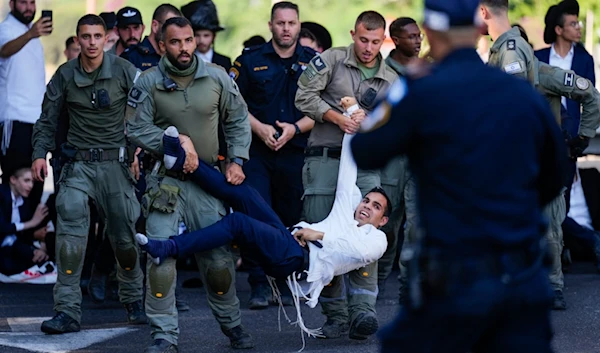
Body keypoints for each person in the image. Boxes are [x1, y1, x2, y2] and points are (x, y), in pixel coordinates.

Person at [350, 0, 566, 351]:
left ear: (431, 32)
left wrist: (403, 89)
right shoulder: (520, 93)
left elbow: (366, 148)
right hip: (522, 275)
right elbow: (554, 176)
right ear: (476, 29)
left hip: (454, 279)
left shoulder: (421, 90)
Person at [136, 126, 388, 319]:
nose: (366, 206)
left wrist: (319, 236)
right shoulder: (347, 211)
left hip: (296, 260)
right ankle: (183, 162)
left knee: (238, 222)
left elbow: (359, 251)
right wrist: (351, 126)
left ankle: (167, 248)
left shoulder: (376, 239)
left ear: (383, 220)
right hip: (288, 240)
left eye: (375, 207)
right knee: (245, 194)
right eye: (366, 201)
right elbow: (347, 171)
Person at [125, 17, 253, 352]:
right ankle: (164, 335)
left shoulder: (217, 77)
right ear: (162, 44)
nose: (183, 48)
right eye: (175, 42)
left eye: (188, 40)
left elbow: (238, 118)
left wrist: (237, 159)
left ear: (195, 40)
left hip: (207, 180)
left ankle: (233, 326)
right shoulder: (149, 81)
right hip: (164, 182)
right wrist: (176, 138)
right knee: (160, 260)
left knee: (219, 263)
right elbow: (134, 128)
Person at [480, 0, 600, 310]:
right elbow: (590, 94)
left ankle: (549, 287)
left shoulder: (515, 59)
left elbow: (588, 95)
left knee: (545, 226)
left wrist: (581, 138)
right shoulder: (533, 65)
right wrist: (581, 138)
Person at [32, 14, 145, 334]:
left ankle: (133, 298)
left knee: (124, 238)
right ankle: (66, 310)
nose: (92, 42)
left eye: (97, 36)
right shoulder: (65, 75)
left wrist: (136, 150)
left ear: (106, 38)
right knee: (69, 235)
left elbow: (147, 112)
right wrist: (39, 154)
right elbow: (46, 121)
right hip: (78, 165)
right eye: (85, 36)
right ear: (78, 39)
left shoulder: (125, 71)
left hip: (115, 165)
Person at [294, 10, 397, 340]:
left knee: (363, 232)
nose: (368, 48)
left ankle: (362, 312)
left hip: (365, 162)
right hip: (326, 158)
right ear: (353, 34)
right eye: (363, 40)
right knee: (322, 232)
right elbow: (303, 96)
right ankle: (335, 314)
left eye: (375, 42)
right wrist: (339, 118)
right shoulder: (332, 60)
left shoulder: (390, 78)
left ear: (384, 40)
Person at [229, 1, 316, 310]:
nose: (286, 28)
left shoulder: (314, 62)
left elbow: (323, 107)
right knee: (258, 214)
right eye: (280, 23)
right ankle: (259, 283)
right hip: (258, 152)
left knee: (293, 216)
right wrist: (260, 129)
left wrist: (294, 128)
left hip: (296, 151)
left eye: (291, 23)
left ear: (298, 24)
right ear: (270, 25)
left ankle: (288, 278)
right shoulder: (250, 61)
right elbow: (234, 104)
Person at [376, 17, 421, 300]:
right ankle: (375, 282)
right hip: (391, 158)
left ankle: (409, 283)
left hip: (419, 157)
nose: (417, 41)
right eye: (411, 37)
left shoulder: (426, 70)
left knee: (417, 225)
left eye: (419, 36)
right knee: (387, 223)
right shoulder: (381, 70)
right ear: (395, 38)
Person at [0, 0, 51, 210]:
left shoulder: (30, 32)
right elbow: (4, 50)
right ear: (11, 4)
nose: (29, 7)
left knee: (36, 181)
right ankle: (9, 238)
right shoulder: (6, 29)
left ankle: (28, 239)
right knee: (16, 182)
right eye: (23, 2)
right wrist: (30, 35)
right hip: (15, 119)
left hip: (36, 121)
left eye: (32, 2)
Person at [535, 0, 596, 144]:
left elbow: (590, 98)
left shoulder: (585, 60)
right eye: (573, 24)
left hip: (572, 134)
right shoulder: (538, 58)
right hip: (542, 129)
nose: (578, 28)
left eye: (578, 23)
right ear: (559, 30)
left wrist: (583, 135)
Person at [0, 167, 50, 276]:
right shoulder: (2, 195)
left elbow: (25, 233)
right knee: (9, 266)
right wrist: (32, 223)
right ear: (13, 180)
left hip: (13, 245)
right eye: (26, 181)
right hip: (4, 246)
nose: (30, 186)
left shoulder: (25, 202)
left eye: (32, 181)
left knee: (40, 259)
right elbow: (2, 227)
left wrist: (40, 249)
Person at [121, 4, 181, 71]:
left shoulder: (175, 55)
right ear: (155, 26)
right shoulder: (132, 57)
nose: (175, 33)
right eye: (169, 27)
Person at [181, 0, 232, 71]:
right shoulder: (184, 60)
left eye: (206, 35)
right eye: (197, 35)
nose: (201, 40)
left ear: (214, 36)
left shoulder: (224, 62)